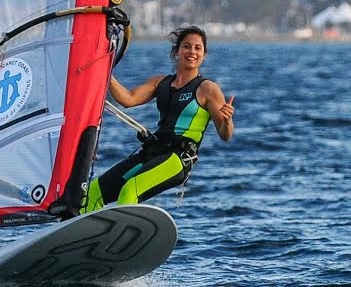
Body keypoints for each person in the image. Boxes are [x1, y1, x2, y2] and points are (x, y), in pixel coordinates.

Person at [55, 25, 235, 217]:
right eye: (187, 46)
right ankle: (82, 237)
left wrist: (226, 120)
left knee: (130, 190)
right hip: (152, 152)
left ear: (204, 55)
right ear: (176, 52)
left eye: (198, 48)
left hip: (177, 159)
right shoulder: (160, 83)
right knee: (93, 192)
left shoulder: (208, 88)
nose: (192, 52)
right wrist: (103, 71)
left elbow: (225, 135)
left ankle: (120, 240)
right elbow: (128, 99)